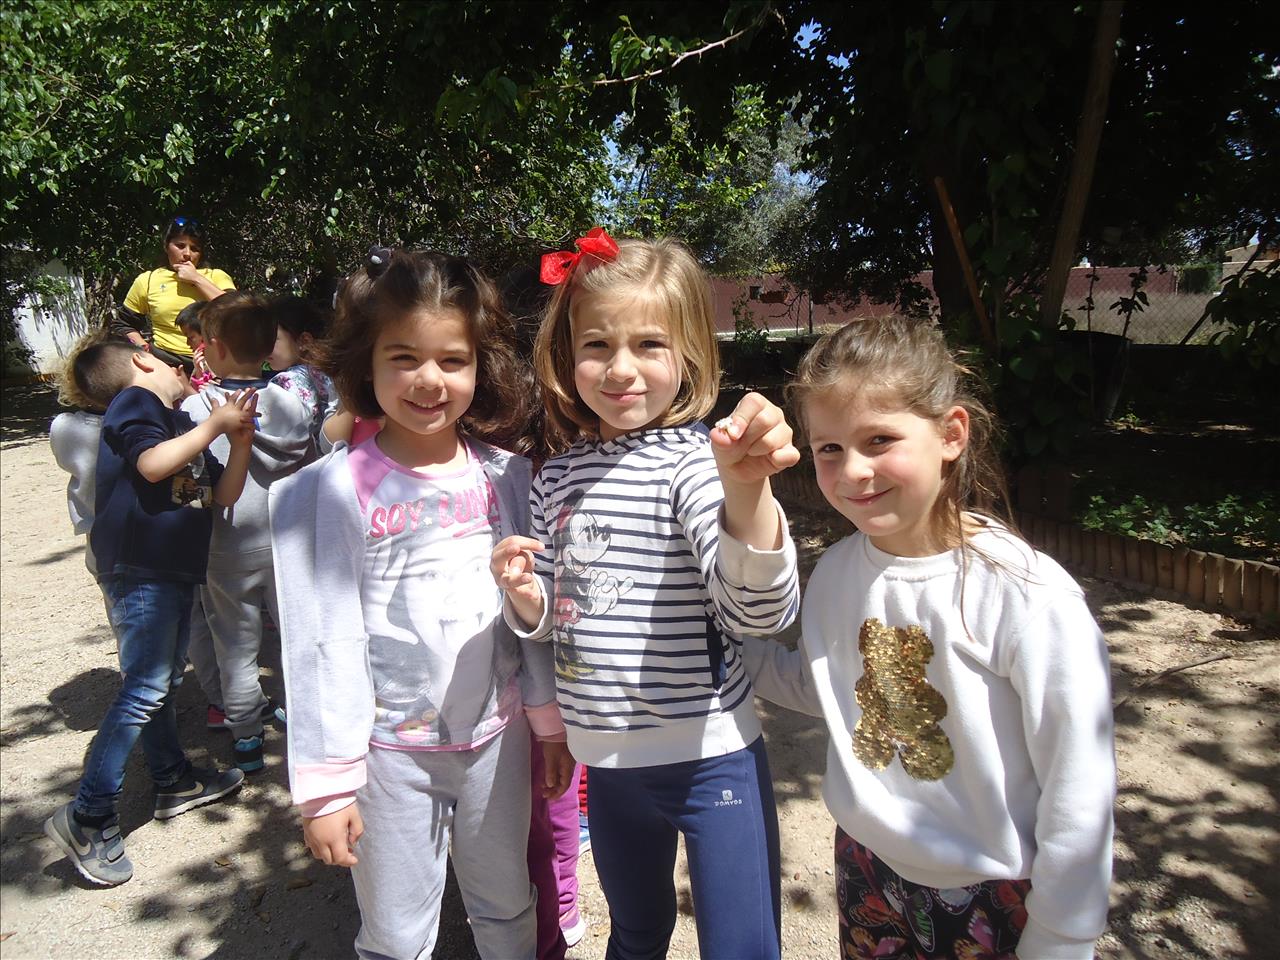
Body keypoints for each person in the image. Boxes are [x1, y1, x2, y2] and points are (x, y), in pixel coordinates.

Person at [740, 316, 1116, 960]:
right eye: (829, 448)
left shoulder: (1025, 593)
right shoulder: (835, 571)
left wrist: (1063, 931)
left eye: (879, 439)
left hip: (993, 891)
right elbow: (826, 686)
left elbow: (1078, 775)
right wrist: (725, 642)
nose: (853, 471)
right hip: (867, 866)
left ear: (951, 434)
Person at [492, 229, 802, 960]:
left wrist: (748, 494)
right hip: (608, 763)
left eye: (650, 344)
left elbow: (759, 611)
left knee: (742, 947)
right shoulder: (556, 476)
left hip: (710, 754)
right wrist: (526, 595)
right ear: (566, 354)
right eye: (597, 345)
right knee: (635, 935)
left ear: (689, 354)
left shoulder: (697, 466)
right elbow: (561, 614)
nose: (621, 368)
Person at [269, 248, 569, 960]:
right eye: (403, 358)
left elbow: (530, 615)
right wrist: (327, 788)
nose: (429, 380)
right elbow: (319, 641)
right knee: (398, 933)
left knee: (508, 905)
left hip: (498, 741)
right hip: (389, 758)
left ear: (480, 366)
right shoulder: (330, 492)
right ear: (365, 365)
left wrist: (549, 723)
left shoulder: (508, 477)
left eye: (452, 359)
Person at [43, 339, 258, 887]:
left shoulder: (177, 422)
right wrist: (214, 425)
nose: (180, 368)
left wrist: (239, 443)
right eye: (170, 361)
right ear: (142, 363)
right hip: (141, 568)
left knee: (160, 682)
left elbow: (224, 495)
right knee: (145, 687)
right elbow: (152, 464)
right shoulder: (136, 404)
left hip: (172, 569)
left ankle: (172, 779)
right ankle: (88, 816)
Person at [180, 291, 313, 772]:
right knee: (296, 637)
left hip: (227, 543)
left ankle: (246, 739)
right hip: (289, 540)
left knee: (234, 645)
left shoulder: (198, 408)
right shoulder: (290, 402)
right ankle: (305, 720)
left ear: (213, 346)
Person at [113, 217, 235, 369]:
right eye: (180, 246)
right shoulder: (148, 280)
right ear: (166, 246)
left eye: (194, 249)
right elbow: (123, 324)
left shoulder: (216, 277)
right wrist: (145, 350)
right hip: (164, 364)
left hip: (213, 366)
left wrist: (196, 279)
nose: (187, 254)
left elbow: (238, 313)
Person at [267, 294, 339, 442]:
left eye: (271, 339)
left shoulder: (285, 382)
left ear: (304, 341)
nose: (263, 347)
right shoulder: (332, 371)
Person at [174, 302, 216, 390]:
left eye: (190, 337)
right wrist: (198, 372)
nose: (187, 343)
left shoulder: (222, 366)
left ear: (205, 334)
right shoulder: (200, 362)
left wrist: (186, 387)